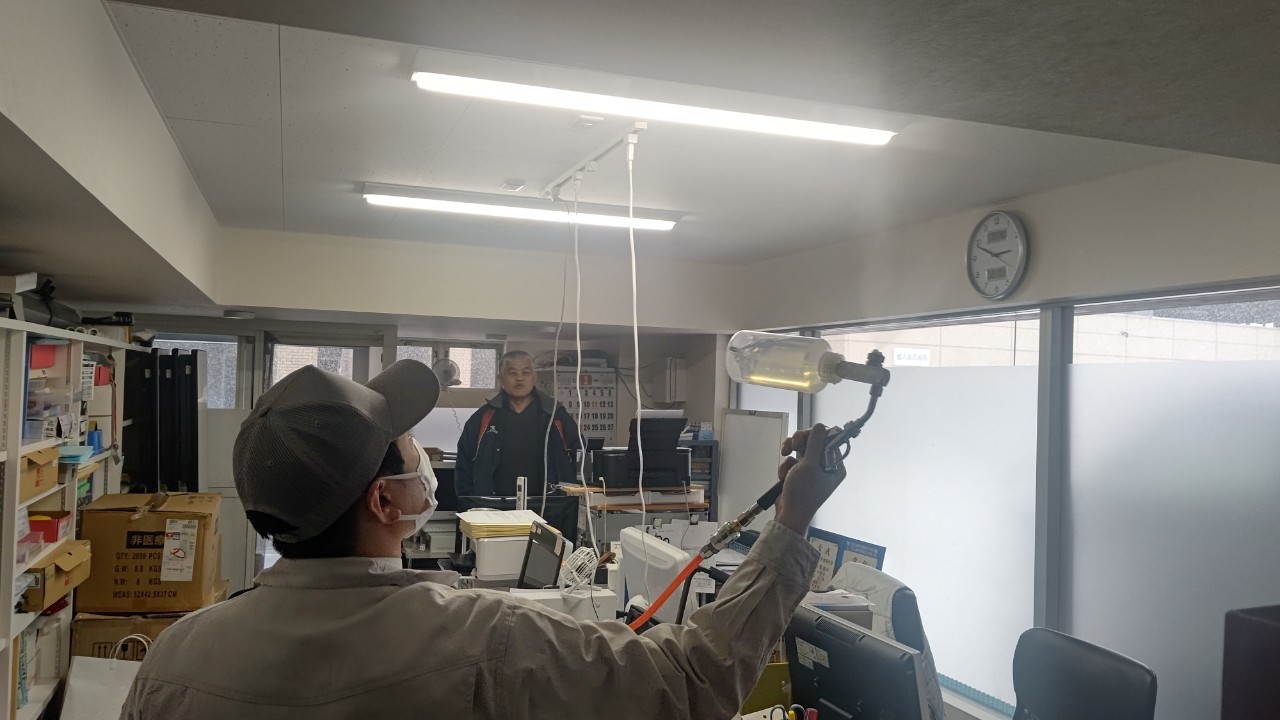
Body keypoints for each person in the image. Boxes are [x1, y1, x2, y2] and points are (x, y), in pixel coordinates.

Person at [120, 359, 847, 719]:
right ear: (384, 500)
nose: (425, 459)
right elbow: (691, 682)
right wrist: (790, 523)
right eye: (409, 447)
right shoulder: (483, 641)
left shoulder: (173, 662)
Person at [455, 350, 580, 497]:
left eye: (526, 372)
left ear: (534, 377)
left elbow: (579, 459)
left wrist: (568, 501)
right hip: (493, 505)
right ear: (501, 378)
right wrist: (469, 503)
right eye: (512, 373)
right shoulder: (483, 418)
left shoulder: (555, 416)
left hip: (548, 505)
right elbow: (464, 467)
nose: (519, 378)